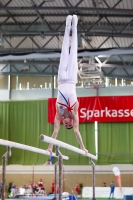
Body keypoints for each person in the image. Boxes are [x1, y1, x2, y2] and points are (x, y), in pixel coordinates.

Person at [47, 15, 88, 154]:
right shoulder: (74, 113)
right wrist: (82, 147)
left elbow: (55, 132)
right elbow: (76, 131)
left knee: (65, 50)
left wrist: (50, 147)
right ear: (71, 122)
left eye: (66, 126)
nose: (67, 125)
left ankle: (67, 25)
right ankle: (74, 25)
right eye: (69, 125)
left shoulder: (59, 114)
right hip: (71, 79)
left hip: (60, 79)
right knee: (73, 53)